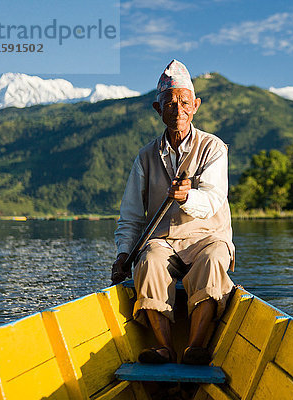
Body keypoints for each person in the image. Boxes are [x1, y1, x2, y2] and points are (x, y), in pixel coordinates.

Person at [111, 59, 235, 365]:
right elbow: (130, 216)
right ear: (158, 109)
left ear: (195, 106)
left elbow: (212, 200)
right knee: (149, 260)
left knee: (214, 259)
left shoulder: (214, 148)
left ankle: (195, 345)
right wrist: (124, 254)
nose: (177, 109)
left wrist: (186, 196)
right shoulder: (145, 157)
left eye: (184, 102)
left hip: (207, 237)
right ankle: (164, 347)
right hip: (164, 241)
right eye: (170, 102)